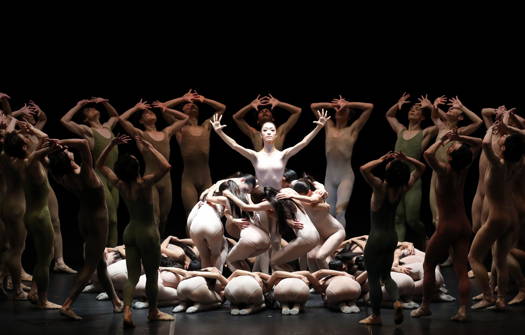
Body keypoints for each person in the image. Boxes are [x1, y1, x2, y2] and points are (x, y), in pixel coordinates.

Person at [97, 135, 173, 328]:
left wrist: (111, 145)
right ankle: (153, 312)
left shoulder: (119, 184)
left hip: (130, 231)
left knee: (132, 276)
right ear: (137, 168)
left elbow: (100, 165)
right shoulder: (145, 183)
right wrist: (150, 148)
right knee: (152, 275)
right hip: (147, 233)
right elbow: (166, 166)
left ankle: (127, 310)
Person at [47, 139, 124, 319]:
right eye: (65, 151)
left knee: (100, 263)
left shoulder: (62, 175)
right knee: (90, 265)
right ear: (65, 159)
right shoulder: (85, 172)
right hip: (98, 219)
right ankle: (67, 304)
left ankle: (115, 301)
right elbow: (82, 142)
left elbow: (49, 160)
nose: (67, 149)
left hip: (84, 217)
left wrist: (53, 147)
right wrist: (61, 142)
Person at [411, 130, 481, 321]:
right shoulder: (464, 167)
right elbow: (479, 143)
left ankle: (425, 306)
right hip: (463, 224)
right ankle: (464, 310)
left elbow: (427, 154)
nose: (451, 145)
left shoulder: (444, 170)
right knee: (460, 269)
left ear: (451, 155)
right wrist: (460, 137)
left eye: (453, 147)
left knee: (428, 265)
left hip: (447, 226)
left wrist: (442, 139)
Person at [358, 151, 426, 325]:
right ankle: (396, 301)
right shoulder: (404, 187)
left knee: (373, 279)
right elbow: (422, 168)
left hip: (376, 237)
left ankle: (376, 316)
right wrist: (405, 159)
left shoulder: (380, 186)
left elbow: (364, 169)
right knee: (386, 276)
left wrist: (380, 159)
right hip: (392, 237)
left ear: (388, 172)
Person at [3, 124, 61, 309]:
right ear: (23, 148)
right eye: (24, 140)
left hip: (7, 202)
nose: (27, 138)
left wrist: (19, 131)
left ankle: (18, 286)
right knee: (21, 250)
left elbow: (12, 142)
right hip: (22, 207)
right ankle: (25, 291)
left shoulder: (6, 157)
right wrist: (31, 129)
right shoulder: (30, 161)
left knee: (14, 248)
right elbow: (47, 138)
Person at [469, 117, 524, 311]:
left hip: (497, 217)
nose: (502, 138)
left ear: (504, 149)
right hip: (512, 217)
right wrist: (507, 123)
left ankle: (487, 296)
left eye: (504, 140)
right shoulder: (519, 163)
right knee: (500, 260)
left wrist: (493, 128)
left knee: (474, 257)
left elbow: (484, 143)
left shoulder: (497, 164)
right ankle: (500, 299)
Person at [118, 99, 189, 235]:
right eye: (145, 113)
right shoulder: (141, 134)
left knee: (163, 218)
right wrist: (136, 107)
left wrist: (165, 108)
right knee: (154, 217)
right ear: (141, 121)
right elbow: (121, 119)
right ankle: (154, 247)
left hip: (166, 180)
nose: (149, 112)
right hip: (151, 180)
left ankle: (159, 243)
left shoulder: (166, 132)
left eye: (150, 111)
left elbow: (184, 118)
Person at [210, 109, 329, 189]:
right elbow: (235, 145)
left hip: (279, 197)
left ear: (276, 134)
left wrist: (319, 127)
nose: (269, 132)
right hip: (260, 197)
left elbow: (304, 142)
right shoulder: (255, 156)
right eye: (265, 130)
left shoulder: (283, 155)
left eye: (272, 130)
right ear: (261, 135)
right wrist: (220, 132)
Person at [61, 98, 121, 246]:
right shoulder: (88, 131)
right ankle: (101, 252)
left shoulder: (108, 127)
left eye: (92, 108)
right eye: (88, 110)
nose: (92, 109)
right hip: (100, 177)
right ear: (86, 119)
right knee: (110, 217)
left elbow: (115, 116)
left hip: (113, 177)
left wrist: (105, 102)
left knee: (114, 219)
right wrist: (78, 105)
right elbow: (65, 121)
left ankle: (112, 254)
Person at [310, 96, 373, 226]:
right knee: (329, 211)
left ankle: (341, 243)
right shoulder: (328, 125)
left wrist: (348, 103)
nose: (340, 110)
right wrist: (332, 105)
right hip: (330, 177)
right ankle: (331, 241)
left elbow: (369, 107)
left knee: (340, 211)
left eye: (344, 110)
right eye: (338, 109)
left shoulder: (352, 129)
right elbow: (313, 106)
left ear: (349, 116)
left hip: (345, 177)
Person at [385, 93, 437, 249]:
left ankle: (423, 238)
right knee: (398, 218)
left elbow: (441, 125)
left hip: (413, 178)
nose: (413, 111)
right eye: (411, 109)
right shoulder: (400, 130)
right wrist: (398, 103)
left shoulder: (425, 132)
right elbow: (389, 115)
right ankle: (398, 248)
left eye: (417, 110)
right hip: (395, 180)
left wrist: (431, 107)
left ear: (422, 117)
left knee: (412, 219)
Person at [233, 94, 302, 151]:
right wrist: (250, 106)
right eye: (261, 112)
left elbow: (297, 111)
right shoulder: (254, 134)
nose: (264, 112)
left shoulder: (280, 131)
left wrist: (279, 103)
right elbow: (236, 117)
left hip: (279, 166)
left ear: (273, 118)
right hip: (260, 167)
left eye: (267, 111)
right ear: (257, 121)